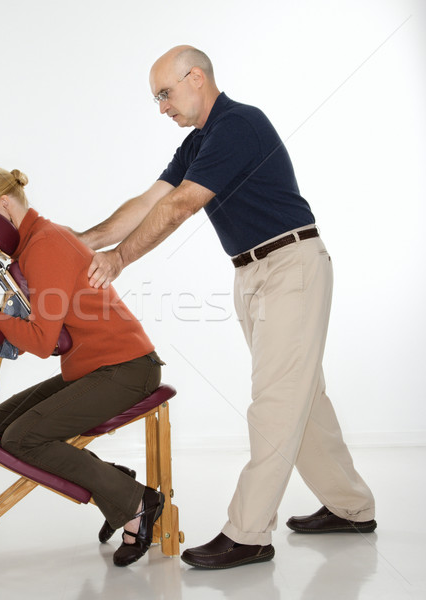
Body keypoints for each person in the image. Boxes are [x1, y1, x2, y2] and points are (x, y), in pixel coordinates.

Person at [75, 45, 376, 569]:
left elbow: (182, 204)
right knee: (305, 398)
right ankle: (351, 507)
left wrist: (119, 258)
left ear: (196, 77)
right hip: (253, 272)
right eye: (156, 99)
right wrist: (84, 241)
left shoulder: (238, 123)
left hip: (291, 265)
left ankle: (248, 533)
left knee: (275, 402)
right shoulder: (198, 143)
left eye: (165, 94)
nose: (162, 107)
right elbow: (151, 199)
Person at [0, 166, 166, 567]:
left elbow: (39, 340)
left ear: (2, 206)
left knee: (22, 439)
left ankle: (136, 501)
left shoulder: (45, 244)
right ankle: (115, 484)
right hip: (93, 368)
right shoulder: (32, 244)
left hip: (125, 368)